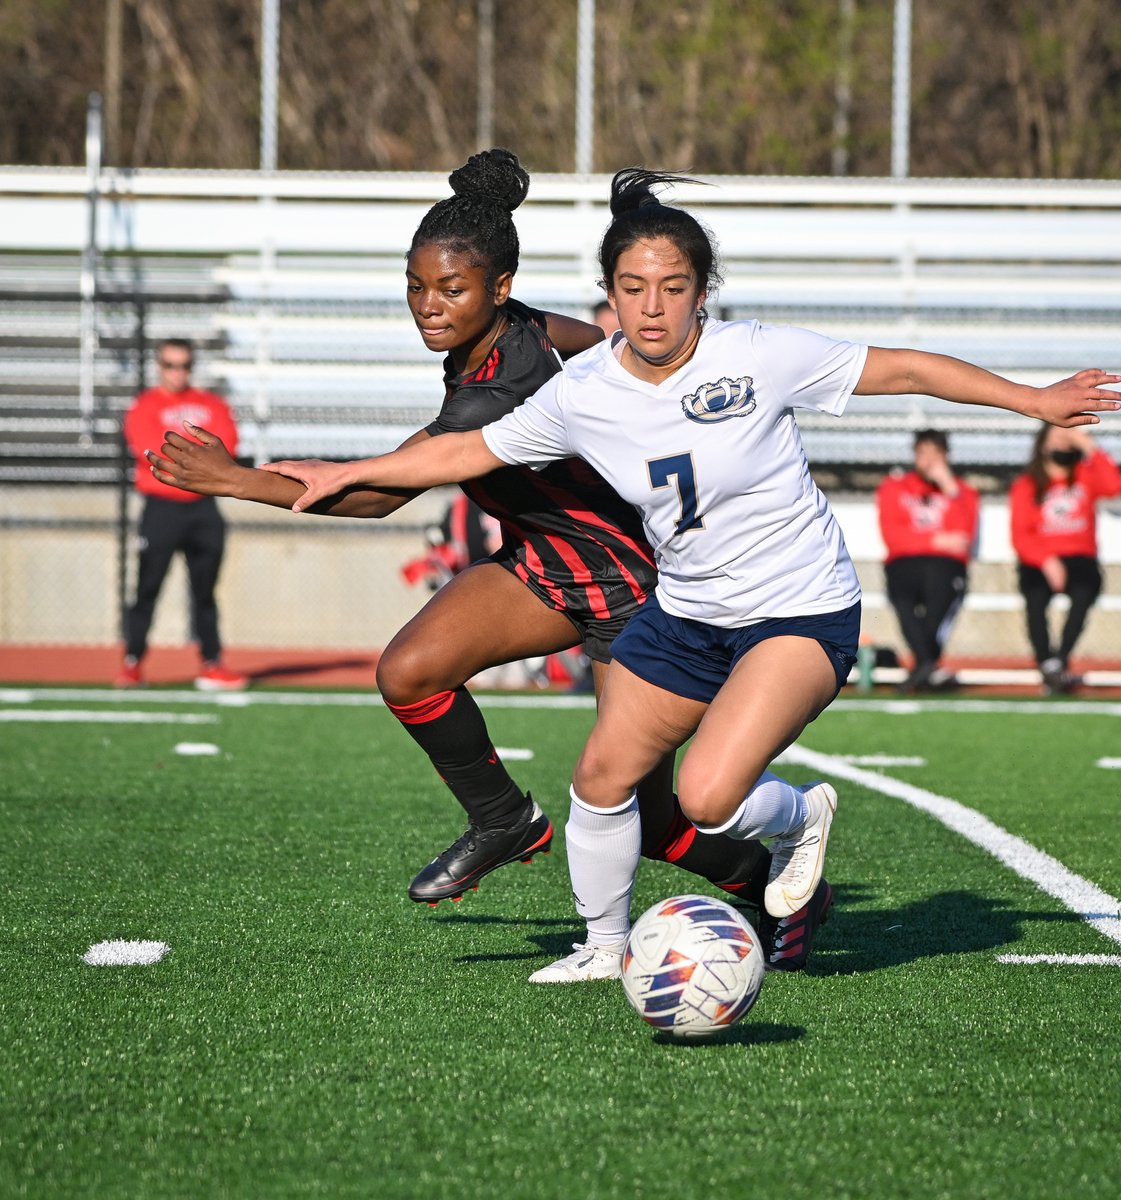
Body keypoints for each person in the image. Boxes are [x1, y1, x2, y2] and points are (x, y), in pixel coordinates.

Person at [252, 168, 1121, 984]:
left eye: (673, 288)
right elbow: (466, 449)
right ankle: (603, 948)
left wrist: (1033, 400)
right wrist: (339, 472)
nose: (653, 307)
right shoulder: (583, 387)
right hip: (685, 615)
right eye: (633, 289)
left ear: (702, 291)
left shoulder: (757, 354)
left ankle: (801, 817)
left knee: (706, 797)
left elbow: (904, 369)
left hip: (799, 610)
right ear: (610, 295)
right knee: (602, 780)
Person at [145, 152, 816, 971]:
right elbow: (588, 338)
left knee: (648, 812)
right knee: (411, 671)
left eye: (451, 290)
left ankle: (767, 879)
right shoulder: (523, 327)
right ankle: (503, 818)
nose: (429, 307)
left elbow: (380, 494)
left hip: (632, 590)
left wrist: (232, 480)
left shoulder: (501, 387)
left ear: (497, 288)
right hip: (541, 570)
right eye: (416, 286)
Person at [116, 339, 247, 692]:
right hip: (161, 508)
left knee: (205, 592)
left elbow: (227, 449)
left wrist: (198, 462)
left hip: (203, 507)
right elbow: (151, 451)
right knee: (148, 588)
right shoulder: (145, 406)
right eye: (171, 365)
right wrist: (197, 458)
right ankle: (133, 662)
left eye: (184, 365)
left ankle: (212, 663)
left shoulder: (211, 405)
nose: (178, 373)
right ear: (159, 366)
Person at [1009, 424, 1121, 694]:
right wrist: (1046, 560)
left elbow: (1115, 485)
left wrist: (1088, 445)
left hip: (1080, 557)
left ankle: (1060, 660)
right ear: (1043, 445)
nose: (1062, 443)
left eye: (1067, 437)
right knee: (1035, 598)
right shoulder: (1027, 484)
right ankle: (1046, 662)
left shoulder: (1085, 475)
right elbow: (1020, 535)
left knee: (1085, 591)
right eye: (1057, 436)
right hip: (1041, 559)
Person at [876, 429, 979, 692]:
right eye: (923, 454)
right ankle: (927, 666)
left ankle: (923, 667)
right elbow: (893, 535)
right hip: (905, 562)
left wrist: (950, 489)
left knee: (939, 590)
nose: (929, 461)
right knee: (902, 594)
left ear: (946, 457)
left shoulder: (963, 492)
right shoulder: (894, 487)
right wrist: (936, 540)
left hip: (945, 566)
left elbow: (963, 536)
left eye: (935, 454)